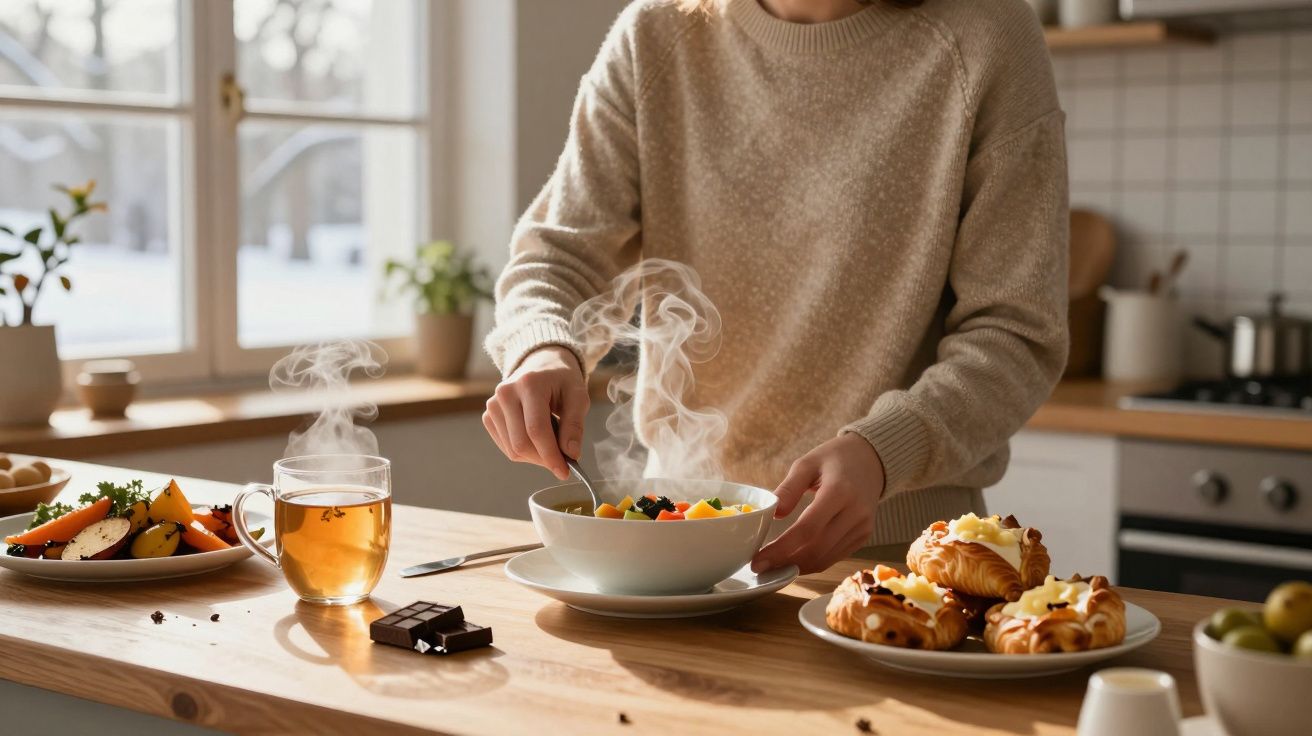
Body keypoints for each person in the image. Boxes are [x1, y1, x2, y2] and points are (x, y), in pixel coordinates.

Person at [482, 0, 1069, 574]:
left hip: (905, 555)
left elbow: (1015, 332)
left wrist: (884, 453)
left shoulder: (986, 33)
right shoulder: (655, 34)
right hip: (676, 546)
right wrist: (543, 347)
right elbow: (554, 258)